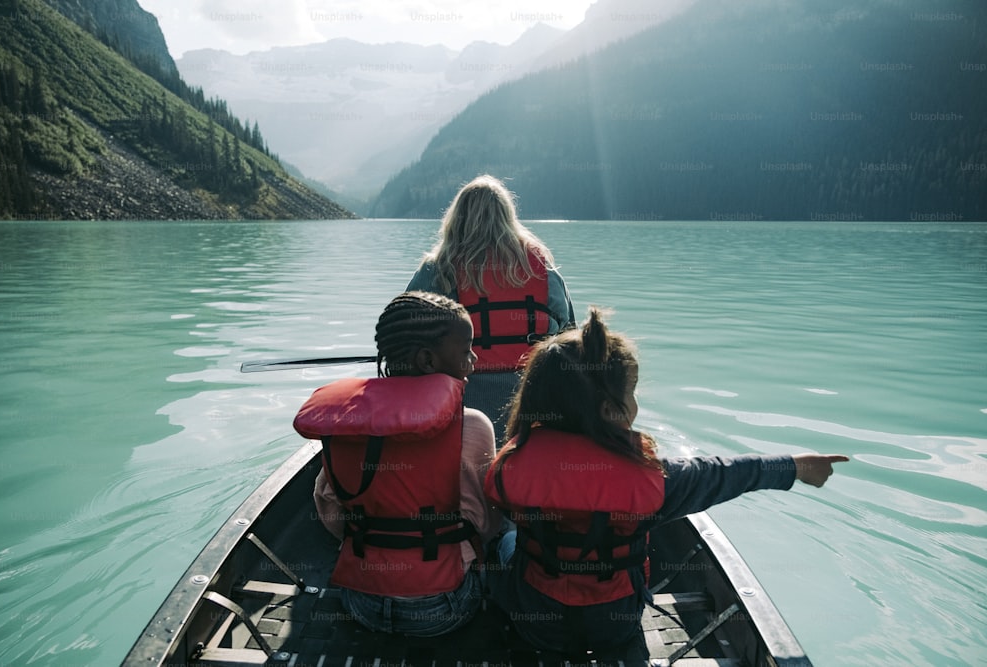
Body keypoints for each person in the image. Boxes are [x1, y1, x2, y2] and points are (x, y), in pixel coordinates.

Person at [483, 307, 849, 653]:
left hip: (536, 624)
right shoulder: (656, 481)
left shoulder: (508, 467)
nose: (635, 400)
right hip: (616, 626)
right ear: (611, 410)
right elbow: (724, 473)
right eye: (632, 391)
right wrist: (796, 466)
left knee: (509, 539)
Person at [293, 291, 502, 637]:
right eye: (466, 351)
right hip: (445, 607)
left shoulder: (346, 423)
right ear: (427, 361)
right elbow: (485, 523)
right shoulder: (474, 425)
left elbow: (330, 511)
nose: (474, 359)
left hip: (360, 601)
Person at [406, 174, 575, 441]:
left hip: (463, 403)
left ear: (455, 218)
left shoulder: (438, 269)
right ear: (509, 217)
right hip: (535, 400)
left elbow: (403, 330)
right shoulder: (542, 267)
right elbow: (569, 335)